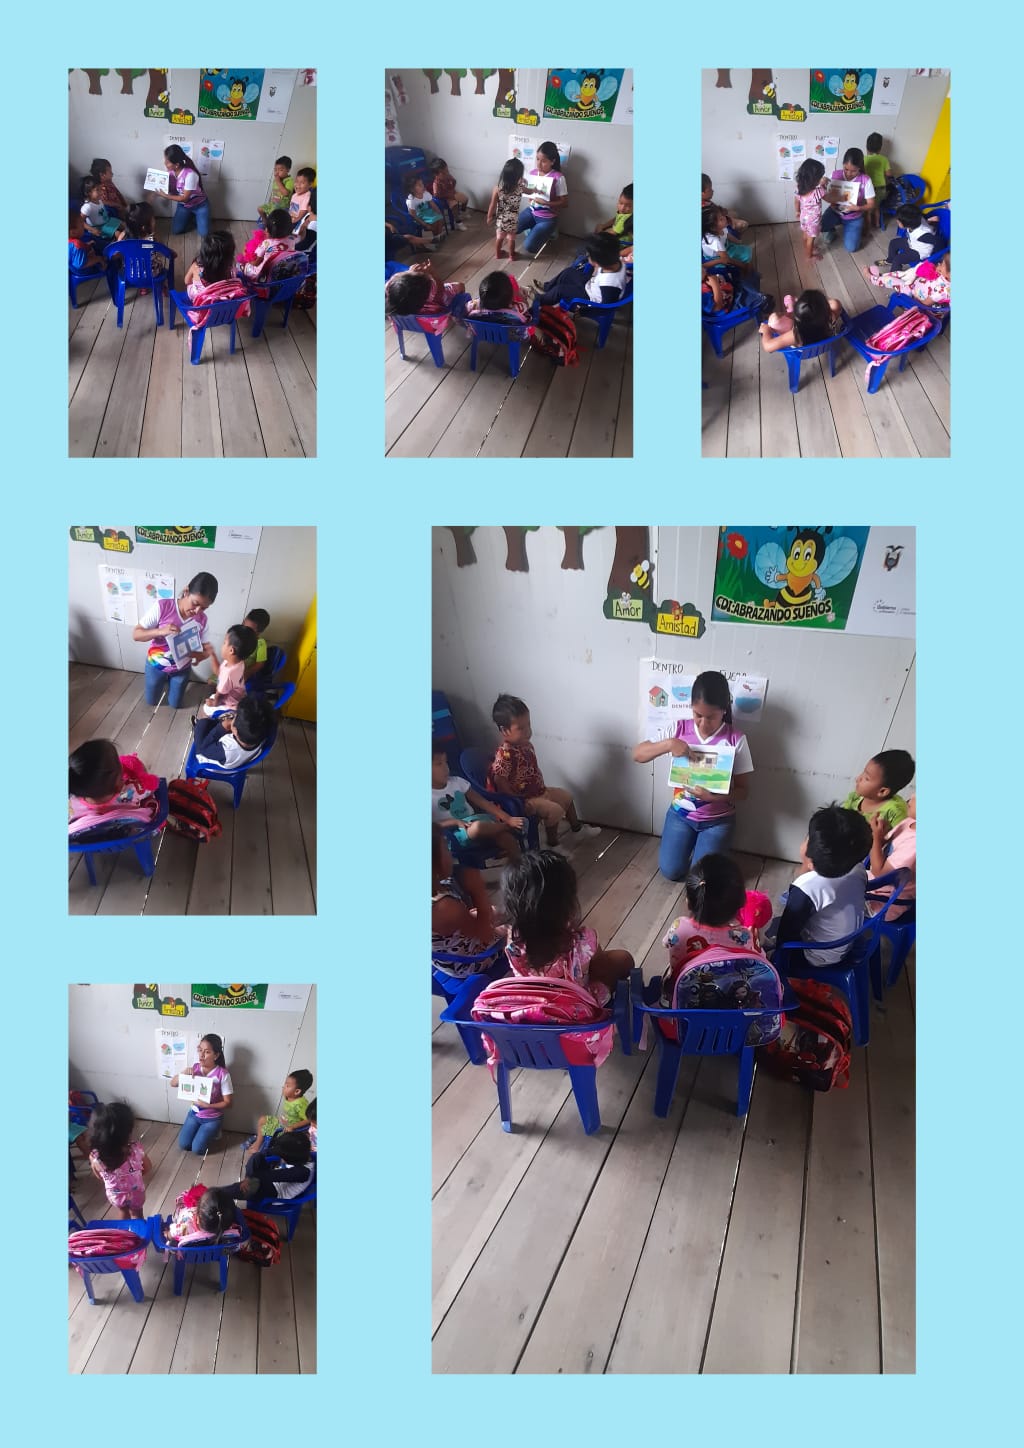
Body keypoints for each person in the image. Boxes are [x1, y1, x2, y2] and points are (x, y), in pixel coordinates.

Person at [633, 670, 754, 882]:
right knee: (671, 871)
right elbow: (638, 754)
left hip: (718, 821)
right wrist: (668, 744)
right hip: (681, 815)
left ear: (724, 710)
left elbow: (743, 792)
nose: (703, 724)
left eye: (711, 717)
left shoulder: (736, 739)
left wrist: (715, 797)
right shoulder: (678, 728)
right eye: (698, 715)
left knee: (701, 879)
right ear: (691, 707)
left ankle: (711, 852)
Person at [502, 849, 633, 1006]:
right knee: (623, 959)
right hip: (577, 1009)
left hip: (536, 1005)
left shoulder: (513, 942)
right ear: (566, 904)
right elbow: (601, 964)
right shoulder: (583, 939)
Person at [489, 693, 600, 850]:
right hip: (525, 800)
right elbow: (499, 781)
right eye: (521, 728)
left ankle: (577, 830)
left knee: (567, 796)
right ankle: (552, 844)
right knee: (554, 811)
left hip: (540, 791)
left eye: (529, 724)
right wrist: (517, 802)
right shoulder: (505, 754)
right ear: (504, 730)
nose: (528, 731)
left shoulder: (526, 745)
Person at [662, 852, 772, 1004]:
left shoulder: (678, 927)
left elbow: (666, 943)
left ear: (688, 902)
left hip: (682, 1007)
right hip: (731, 1008)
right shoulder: (744, 936)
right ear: (741, 904)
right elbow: (760, 962)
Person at [772, 805, 872, 967]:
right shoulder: (858, 868)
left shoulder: (807, 887)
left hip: (817, 956)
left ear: (810, 854)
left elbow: (787, 933)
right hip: (847, 943)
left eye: (807, 836)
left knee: (773, 929)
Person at [133, 572, 219, 709]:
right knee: (152, 701)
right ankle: (162, 683)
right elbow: (136, 634)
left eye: (204, 608)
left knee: (176, 704)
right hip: (156, 665)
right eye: (195, 603)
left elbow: (201, 650)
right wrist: (160, 631)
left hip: (181, 669)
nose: (197, 611)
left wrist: (203, 655)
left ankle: (171, 684)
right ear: (186, 592)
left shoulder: (202, 620)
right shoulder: (163, 607)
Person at [433, 744, 523, 863]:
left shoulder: (457, 782)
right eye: (439, 764)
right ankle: (510, 827)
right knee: (478, 827)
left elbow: (483, 802)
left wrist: (508, 818)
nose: (445, 768)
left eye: (446, 762)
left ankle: (520, 869)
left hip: (477, 823)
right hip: (454, 834)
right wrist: (454, 822)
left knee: (507, 839)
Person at [432, 826, 501, 972]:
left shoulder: (436, 893)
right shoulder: (444, 906)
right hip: (468, 962)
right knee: (513, 930)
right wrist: (478, 892)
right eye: (445, 848)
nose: (450, 853)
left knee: (496, 911)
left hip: (446, 955)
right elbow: (485, 935)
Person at [69, 741, 160, 834]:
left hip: (97, 836)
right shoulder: (131, 791)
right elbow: (152, 788)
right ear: (118, 785)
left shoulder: (72, 803)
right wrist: (142, 771)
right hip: (130, 831)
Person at [527, 231, 630, 308]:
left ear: (597, 262)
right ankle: (547, 287)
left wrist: (583, 312)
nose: (587, 256)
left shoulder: (609, 284)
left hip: (590, 299)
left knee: (560, 290)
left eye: (589, 256)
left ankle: (539, 300)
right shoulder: (617, 261)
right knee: (568, 272)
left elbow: (605, 306)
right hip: (591, 285)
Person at [171, 1034, 234, 1154]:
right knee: (184, 1145)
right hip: (194, 1114)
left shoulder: (223, 1074)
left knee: (197, 1149)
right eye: (200, 1050)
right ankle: (200, 1131)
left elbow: (229, 1103)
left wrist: (208, 1105)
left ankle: (215, 1131)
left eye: (207, 1052)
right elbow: (173, 1083)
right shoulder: (194, 1068)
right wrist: (182, 1074)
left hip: (212, 1118)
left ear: (216, 1055)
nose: (201, 1055)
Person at [88, 1102, 152, 1219]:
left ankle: (123, 1230)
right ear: (127, 1132)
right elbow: (148, 1167)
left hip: (115, 1194)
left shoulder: (95, 1156)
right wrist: (134, 1176)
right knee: (137, 1215)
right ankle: (139, 1231)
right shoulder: (136, 1150)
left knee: (123, 1212)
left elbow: (99, 1175)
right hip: (136, 1192)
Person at [181, 231, 251, 328]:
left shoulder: (196, 267)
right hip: (226, 305)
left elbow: (186, 281)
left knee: (191, 285)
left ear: (204, 252)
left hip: (202, 303)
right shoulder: (231, 269)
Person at [243, 1069, 313, 1162]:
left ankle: (258, 1145)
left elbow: (308, 1119)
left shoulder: (300, 1104)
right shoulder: (288, 1096)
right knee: (262, 1119)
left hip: (289, 1129)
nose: (283, 1087)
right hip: (282, 1122)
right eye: (285, 1084)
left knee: (267, 1128)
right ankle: (258, 1141)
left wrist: (293, 1127)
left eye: (287, 1086)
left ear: (297, 1091)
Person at [225, 1131, 314, 1202]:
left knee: (248, 1187)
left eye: (283, 1157)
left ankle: (221, 1193)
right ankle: (228, 1191)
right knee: (257, 1157)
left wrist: (251, 1178)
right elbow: (265, 1153)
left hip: (278, 1192)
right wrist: (249, 1177)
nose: (282, 1159)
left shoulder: (303, 1172)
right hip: (274, 1179)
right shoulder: (300, 1152)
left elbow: (270, 1176)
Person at [192, 693, 273, 770]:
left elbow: (204, 749)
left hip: (211, 760)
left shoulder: (227, 750)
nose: (235, 715)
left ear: (235, 731)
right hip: (238, 755)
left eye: (236, 716)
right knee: (216, 722)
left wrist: (221, 728)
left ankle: (198, 724)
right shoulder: (264, 731)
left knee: (203, 723)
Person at [867, 792, 916, 921]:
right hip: (873, 886)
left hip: (883, 903)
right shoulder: (909, 822)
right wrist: (881, 836)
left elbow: (880, 873)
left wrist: (875, 838)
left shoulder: (914, 845)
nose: (911, 796)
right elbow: (887, 848)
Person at [385, 259, 468, 333]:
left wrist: (409, 273)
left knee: (391, 266)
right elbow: (441, 289)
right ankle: (457, 314)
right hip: (430, 317)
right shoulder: (432, 291)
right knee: (459, 286)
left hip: (403, 319)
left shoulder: (389, 286)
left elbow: (399, 282)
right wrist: (433, 273)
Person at [515, 141, 568, 256]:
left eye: (543, 161)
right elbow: (528, 193)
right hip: (531, 211)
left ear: (552, 161)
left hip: (547, 218)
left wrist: (546, 203)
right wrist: (521, 185)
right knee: (510, 228)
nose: (539, 164)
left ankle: (547, 231)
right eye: (537, 159)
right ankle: (535, 228)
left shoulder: (558, 177)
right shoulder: (533, 173)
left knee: (529, 247)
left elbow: (564, 203)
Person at [841, 749, 915, 829]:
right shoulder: (856, 797)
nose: (858, 779)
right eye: (863, 772)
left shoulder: (895, 812)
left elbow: (900, 836)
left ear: (882, 791)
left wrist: (879, 836)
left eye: (866, 778)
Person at [820, 148, 874, 253]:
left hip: (854, 217)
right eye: (846, 169)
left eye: (854, 171)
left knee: (851, 248)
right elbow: (825, 194)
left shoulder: (865, 180)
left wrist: (858, 208)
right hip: (835, 211)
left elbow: (871, 204)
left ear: (859, 168)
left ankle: (852, 230)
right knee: (818, 226)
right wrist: (821, 184)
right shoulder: (835, 175)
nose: (849, 173)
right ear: (843, 164)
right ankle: (832, 230)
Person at [487, 159, 541, 261]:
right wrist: (535, 190)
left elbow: (492, 205)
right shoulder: (520, 188)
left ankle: (498, 254)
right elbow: (530, 191)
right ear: (518, 176)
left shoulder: (497, 188)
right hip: (513, 219)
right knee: (511, 238)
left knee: (499, 237)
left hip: (501, 220)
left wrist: (489, 217)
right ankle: (512, 255)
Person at [199, 624, 256, 718]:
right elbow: (219, 672)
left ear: (231, 650)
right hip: (238, 696)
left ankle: (221, 717)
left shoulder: (228, 674)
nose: (222, 645)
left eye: (224, 642)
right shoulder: (239, 662)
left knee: (206, 709)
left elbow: (220, 695)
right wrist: (212, 654)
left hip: (230, 704)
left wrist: (214, 703)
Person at [759, 290, 844, 353]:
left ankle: (790, 308)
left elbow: (768, 346)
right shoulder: (830, 316)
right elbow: (832, 306)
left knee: (774, 318)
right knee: (835, 303)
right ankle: (795, 307)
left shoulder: (795, 335)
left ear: (796, 318)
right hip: (827, 342)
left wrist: (766, 330)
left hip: (805, 349)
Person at [157, 145, 210, 237]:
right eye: (165, 160)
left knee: (204, 234)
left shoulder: (190, 175)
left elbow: (184, 198)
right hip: (184, 206)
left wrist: (165, 195)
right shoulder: (170, 172)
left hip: (199, 205)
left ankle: (197, 216)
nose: (165, 163)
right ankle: (190, 216)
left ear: (176, 165)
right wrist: (158, 187)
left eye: (167, 162)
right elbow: (173, 189)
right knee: (176, 230)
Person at [873, 204, 939, 273]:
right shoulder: (918, 218)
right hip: (912, 243)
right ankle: (890, 260)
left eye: (899, 222)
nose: (897, 222)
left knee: (897, 260)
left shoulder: (922, 235)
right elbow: (925, 220)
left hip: (919, 252)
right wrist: (930, 220)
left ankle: (894, 276)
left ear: (907, 224)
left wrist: (935, 257)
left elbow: (937, 242)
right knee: (893, 243)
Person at [864, 252, 950, 305]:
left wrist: (916, 295)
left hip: (912, 293)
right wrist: (939, 269)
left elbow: (926, 303)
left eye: (942, 264)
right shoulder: (946, 275)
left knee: (892, 281)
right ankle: (880, 277)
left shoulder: (942, 291)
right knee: (898, 273)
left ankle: (872, 278)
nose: (940, 264)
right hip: (916, 282)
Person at [165, 1185, 241, 1245]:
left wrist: (167, 1233)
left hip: (185, 1217)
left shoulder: (182, 1228)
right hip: (211, 1249)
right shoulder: (228, 1229)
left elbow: (169, 1235)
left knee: (183, 1198)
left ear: (197, 1219)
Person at [237, 209, 294, 280]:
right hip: (280, 271)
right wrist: (304, 226)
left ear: (267, 230)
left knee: (239, 265)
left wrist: (245, 253)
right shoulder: (292, 238)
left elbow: (255, 263)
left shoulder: (266, 243)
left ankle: (242, 270)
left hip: (262, 275)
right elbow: (302, 236)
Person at [465, 270, 532, 327]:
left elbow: (466, 307)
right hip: (509, 336)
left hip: (482, 334)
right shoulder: (517, 309)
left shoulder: (473, 306)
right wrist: (519, 294)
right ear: (510, 299)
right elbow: (526, 307)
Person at [794, 158, 828, 262]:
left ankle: (807, 247)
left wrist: (797, 211)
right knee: (811, 239)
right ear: (815, 179)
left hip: (803, 217)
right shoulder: (819, 191)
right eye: (820, 177)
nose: (821, 178)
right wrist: (824, 186)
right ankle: (809, 256)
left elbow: (796, 201)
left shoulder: (799, 187)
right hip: (813, 221)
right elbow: (829, 198)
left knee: (805, 234)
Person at [80, 176, 126, 245]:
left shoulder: (98, 199)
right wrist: (92, 230)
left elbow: (106, 202)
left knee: (125, 225)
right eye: (97, 190)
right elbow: (80, 221)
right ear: (89, 192)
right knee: (118, 234)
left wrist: (117, 204)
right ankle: (120, 246)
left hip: (107, 221)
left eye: (101, 189)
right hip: (99, 227)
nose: (101, 192)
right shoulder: (87, 207)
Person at [863, 134, 893, 228]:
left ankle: (867, 227)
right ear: (880, 148)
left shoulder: (863, 159)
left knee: (868, 210)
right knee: (877, 207)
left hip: (868, 189)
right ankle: (877, 223)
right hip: (881, 189)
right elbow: (889, 174)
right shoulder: (884, 159)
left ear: (866, 147)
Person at [405, 175, 445, 240]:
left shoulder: (426, 194)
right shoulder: (411, 200)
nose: (423, 186)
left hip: (428, 212)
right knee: (434, 222)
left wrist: (439, 213)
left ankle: (438, 235)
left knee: (440, 219)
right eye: (419, 185)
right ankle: (436, 237)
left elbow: (433, 205)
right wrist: (425, 224)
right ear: (412, 189)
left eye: (422, 184)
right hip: (419, 216)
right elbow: (413, 215)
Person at [431, 158, 468, 227]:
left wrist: (453, 182)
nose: (446, 173)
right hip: (444, 198)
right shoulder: (436, 183)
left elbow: (454, 182)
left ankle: (463, 212)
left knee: (465, 199)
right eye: (443, 173)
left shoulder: (448, 176)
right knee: (454, 205)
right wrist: (448, 195)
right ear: (436, 175)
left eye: (447, 171)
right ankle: (458, 222)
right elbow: (437, 195)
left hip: (452, 193)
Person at [595, 183, 633, 249]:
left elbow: (613, 233)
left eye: (628, 206)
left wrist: (600, 232)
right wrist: (603, 226)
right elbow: (614, 219)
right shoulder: (624, 212)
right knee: (601, 228)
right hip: (617, 232)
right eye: (621, 203)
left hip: (623, 242)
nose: (622, 208)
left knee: (599, 242)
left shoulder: (627, 218)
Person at [258, 154, 293, 223]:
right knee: (260, 209)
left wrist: (278, 181)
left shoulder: (289, 181)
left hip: (282, 208)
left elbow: (285, 193)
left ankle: (270, 226)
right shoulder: (276, 180)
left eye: (280, 170)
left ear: (288, 170)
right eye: (275, 169)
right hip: (273, 204)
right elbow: (273, 192)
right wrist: (270, 201)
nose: (277, 172)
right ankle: (265, 221)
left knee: (273, 217)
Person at [241, 608, 271, 684]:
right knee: (213, 682)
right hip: (229, 669)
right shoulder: (237, 636)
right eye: (243, 624)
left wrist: (246, 673)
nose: (244, 630)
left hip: (245, 674)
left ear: (259, 632)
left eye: (249, 630)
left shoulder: (261, 644)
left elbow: (259, 664)